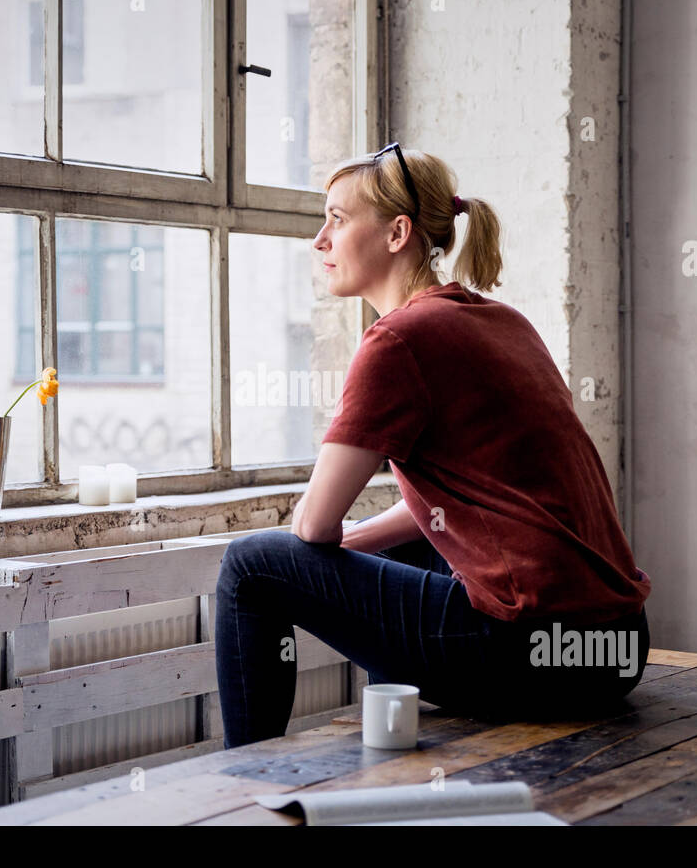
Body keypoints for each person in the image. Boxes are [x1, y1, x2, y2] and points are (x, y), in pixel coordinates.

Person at [213, 143, 652, 749]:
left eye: (337, 219)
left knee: (251, 565)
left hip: (527, 652)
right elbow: (474, 504)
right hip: (615, 650)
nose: (320, 240)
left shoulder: (398, 339)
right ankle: (393, 745)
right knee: (411, 554)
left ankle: (244, 781)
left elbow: (314, 528)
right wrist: (357, 544)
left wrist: (328, 543)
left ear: (398, 233)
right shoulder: (502, 322)